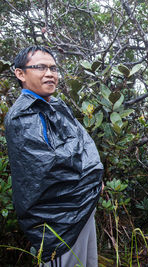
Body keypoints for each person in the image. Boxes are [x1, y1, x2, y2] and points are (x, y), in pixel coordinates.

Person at [5, 46, 103, 266]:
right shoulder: (23, 116)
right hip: (57, 220)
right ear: (20, 73)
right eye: (40, 67)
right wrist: (91, 178)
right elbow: (48, 169)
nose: (50, 73)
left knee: (87, 262)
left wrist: (91, 177)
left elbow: (85, 144)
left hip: (83, 206)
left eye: (53, 68)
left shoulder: (56, 106)